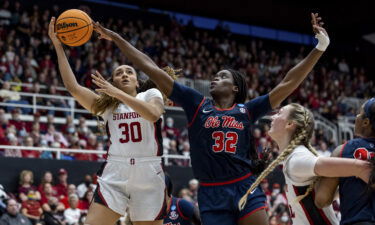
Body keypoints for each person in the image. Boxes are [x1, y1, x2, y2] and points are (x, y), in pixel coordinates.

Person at [93, 12, 330, 225]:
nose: (215, 78)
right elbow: (150, 67)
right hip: (211, 192)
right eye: (215, 76)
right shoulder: (196, 104)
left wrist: (319, 47)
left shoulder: (246, 111)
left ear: (236, 88)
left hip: (244, 185)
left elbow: (287, 83)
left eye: (222, 77)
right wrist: (116, 38)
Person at [49, 17, 170, 225]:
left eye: (129, 72)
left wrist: (118, 94)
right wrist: (58, 46)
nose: (124, 74)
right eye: (118, 73)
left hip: (149, 172)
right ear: (112, 81)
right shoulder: (107, 107)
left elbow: (152, 114)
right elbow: (73, 87)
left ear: (136, 80)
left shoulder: (150, 93)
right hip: (116, 170)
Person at [240, 103, 372, 224]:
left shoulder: (297, 158)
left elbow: (360, 167)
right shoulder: (293, 157)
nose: (273, 116)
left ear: (290, 124)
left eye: (279, 113)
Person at [315, 98, 375, 224]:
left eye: (360, 113)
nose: (356, 116)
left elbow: (322, 199)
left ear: (366, 122)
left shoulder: (342, 150)